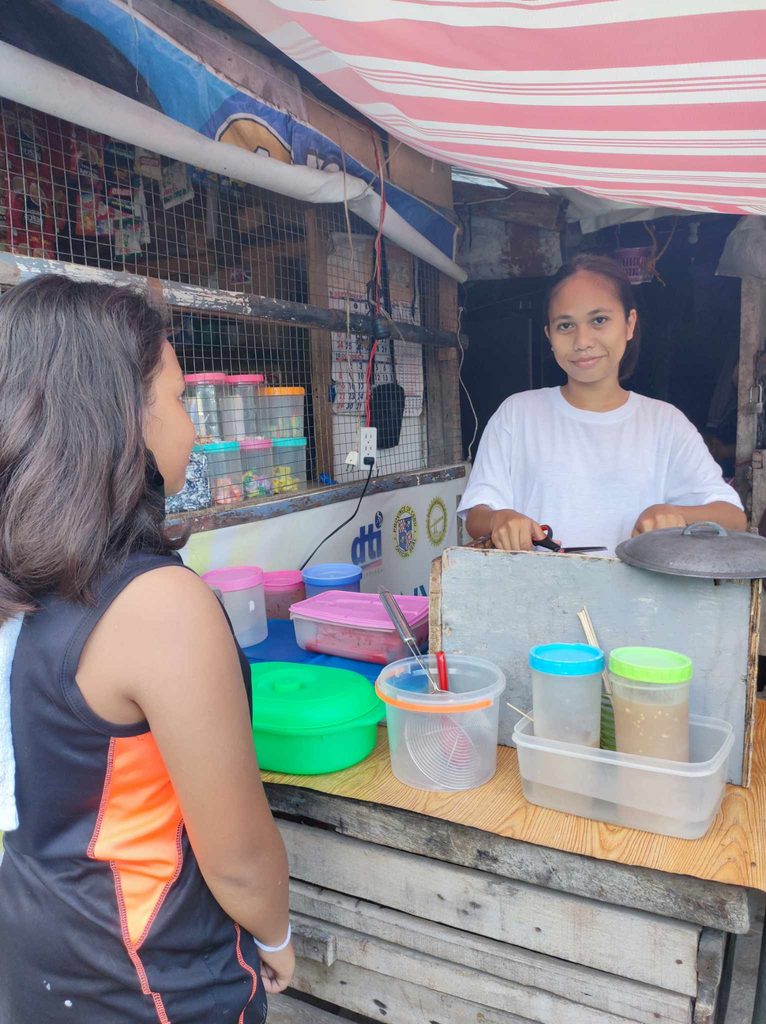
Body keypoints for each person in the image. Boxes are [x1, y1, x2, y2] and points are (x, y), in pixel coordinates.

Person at [0, 276, 293, 1023]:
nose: (191, 425)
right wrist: (277, 930)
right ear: (119, 416)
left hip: (35, 958)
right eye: (178, 397)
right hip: (149, 981)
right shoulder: (156, 606)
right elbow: (237, 860)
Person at [459, 254, 746, 553]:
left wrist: (677, 515)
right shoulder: (517, 414)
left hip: (642, 599)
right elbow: (477, 514)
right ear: (549, 336)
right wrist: (501, 519)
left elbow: (733, 517)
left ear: (629, 323)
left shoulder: (665, 423)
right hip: (537, 593)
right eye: (565, 325)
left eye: (599, 320)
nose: (583, 341)